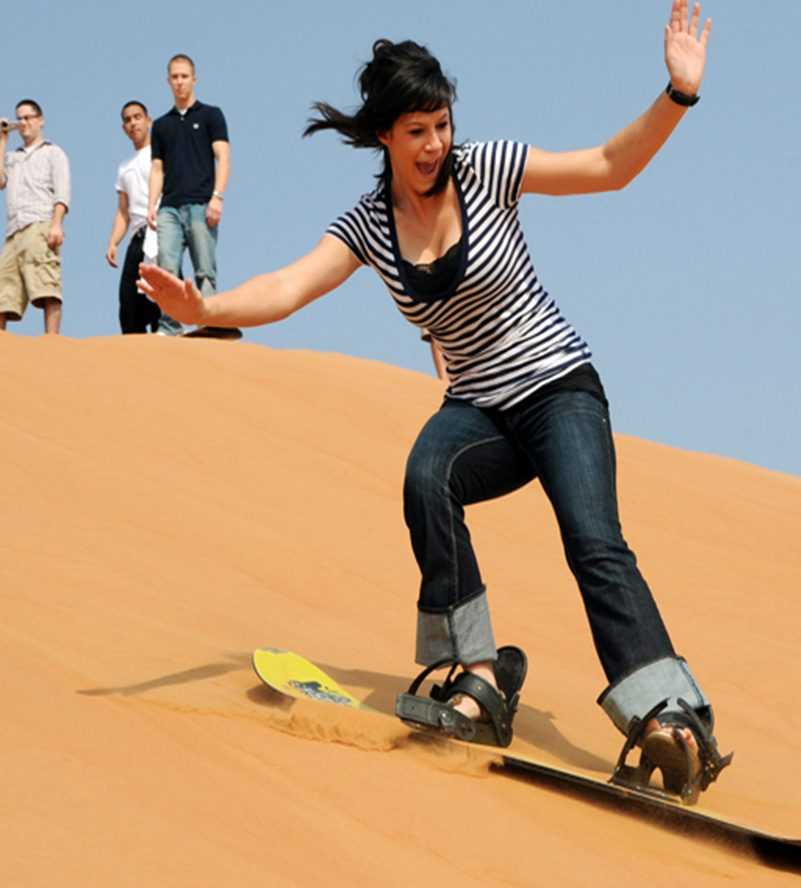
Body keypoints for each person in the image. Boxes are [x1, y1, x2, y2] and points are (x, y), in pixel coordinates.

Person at [139, 1, 731, 799]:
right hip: (481, 410)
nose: (434, 145)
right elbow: (287, 287)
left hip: (558, 390)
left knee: (592, 540)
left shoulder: (487, 169)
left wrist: (677, 95)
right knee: (428, 474)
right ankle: (481, 677)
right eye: (415, 130)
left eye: (441, 124)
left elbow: (606, 167)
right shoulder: (369, 225)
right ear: (384, 134)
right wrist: (206, 311)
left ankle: (669, 716)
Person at [147, 53, 232, 337]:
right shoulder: (160, 125)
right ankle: (170, 325)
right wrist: (151, 205)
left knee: (204, 269)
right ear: (168, 81)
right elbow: (157, 168)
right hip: (169, 207)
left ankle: (209, 322)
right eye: (175, 77)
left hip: (201, 204)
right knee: (167, 268)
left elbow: (224, 156)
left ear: (194, 79)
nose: (180, 82)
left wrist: (217, 197)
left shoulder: (211, 114)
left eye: (184, 76)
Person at [0, 99, 70, 334]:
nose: (23, 123)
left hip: (39, 224)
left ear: (40, 120)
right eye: (19, 118)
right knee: (3, 295)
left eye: (28, 117)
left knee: (47, 286)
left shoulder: (53, 152)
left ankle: (52, 341)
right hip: (13, 232)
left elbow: (62, 192)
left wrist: (57, 224)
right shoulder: (13, 157)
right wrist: (2, 141)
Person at [105, 101, 161, 334]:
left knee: (162, 296)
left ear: (148, 121)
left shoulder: (160, 154)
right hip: (136, 237)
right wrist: (113, 242)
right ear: (123, 128)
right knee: (128, 302)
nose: (133, 123)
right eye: (128, 120)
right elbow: (122, 211)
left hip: (161, 233)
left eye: (137, 117)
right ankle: (136, 358)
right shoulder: (124, 167)